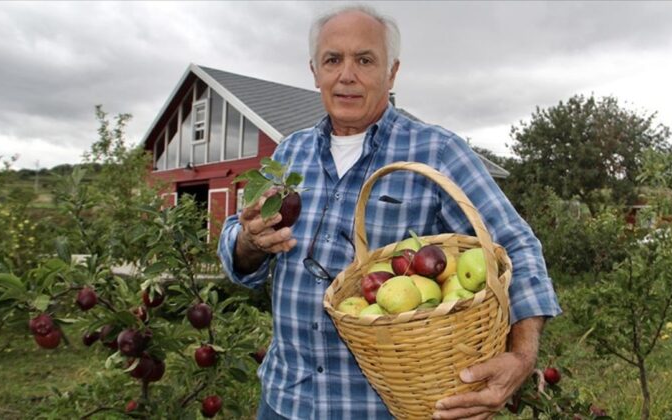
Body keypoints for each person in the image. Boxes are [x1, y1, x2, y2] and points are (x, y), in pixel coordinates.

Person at [218, 5, 561, 419]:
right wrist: (249, 242)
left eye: (364, 60)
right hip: (283, 400)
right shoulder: (290, 155)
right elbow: (239, 250)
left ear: (392, 72)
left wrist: (521, 356)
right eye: (333, 60)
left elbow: (516, 246)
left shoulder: (436, 152)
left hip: (386, 410)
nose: (346, 74)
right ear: (314, 71)